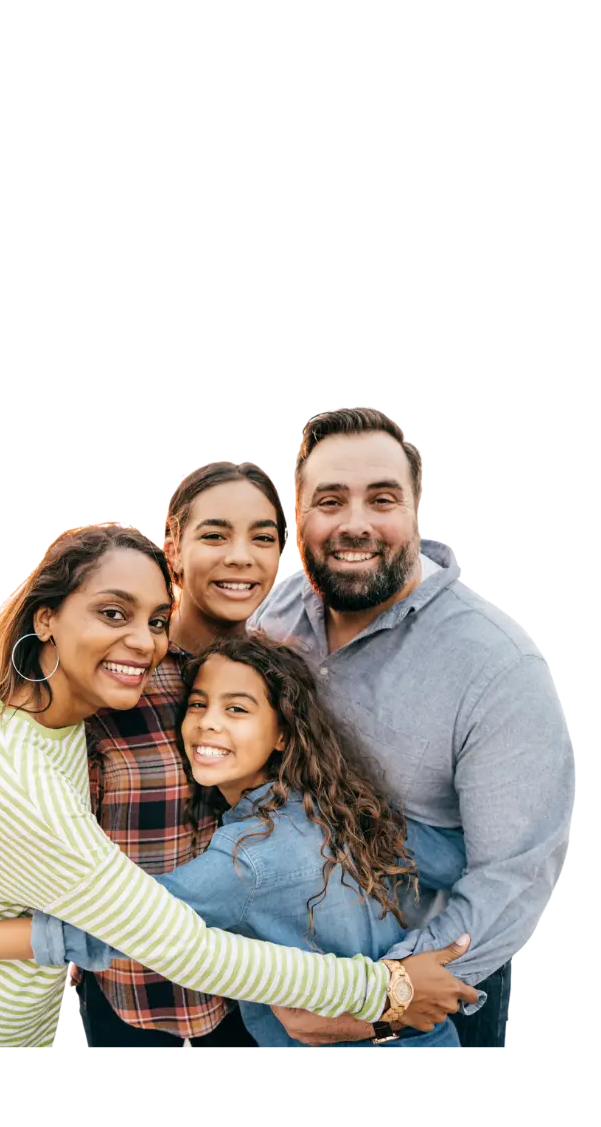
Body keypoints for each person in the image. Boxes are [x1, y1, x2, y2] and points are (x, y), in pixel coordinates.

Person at [0, 521, 474, 1053]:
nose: (143, 641)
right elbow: (185, 947)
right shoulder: (16, 776)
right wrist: (386, 991)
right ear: (46, 619)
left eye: (159, 620)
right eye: (114, 612)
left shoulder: (34, 701)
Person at [0, 463, 285, 1053]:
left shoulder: (275, 668)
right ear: (174, 546)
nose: (240, 556)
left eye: (264, 536)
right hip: (116, 971)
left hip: (242, 966)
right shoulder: (113, 674)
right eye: (215, 534)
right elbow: (3, 762)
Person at [247, 407, 576, 1051]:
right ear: (297, 520)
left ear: (417, 512)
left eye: (382, 498)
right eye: (330, 500)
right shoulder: (276, 612)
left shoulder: (497, 665)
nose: (356, 523)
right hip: (286, 982)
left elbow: (514, 877)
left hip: (431, 997)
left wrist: (383, 992)